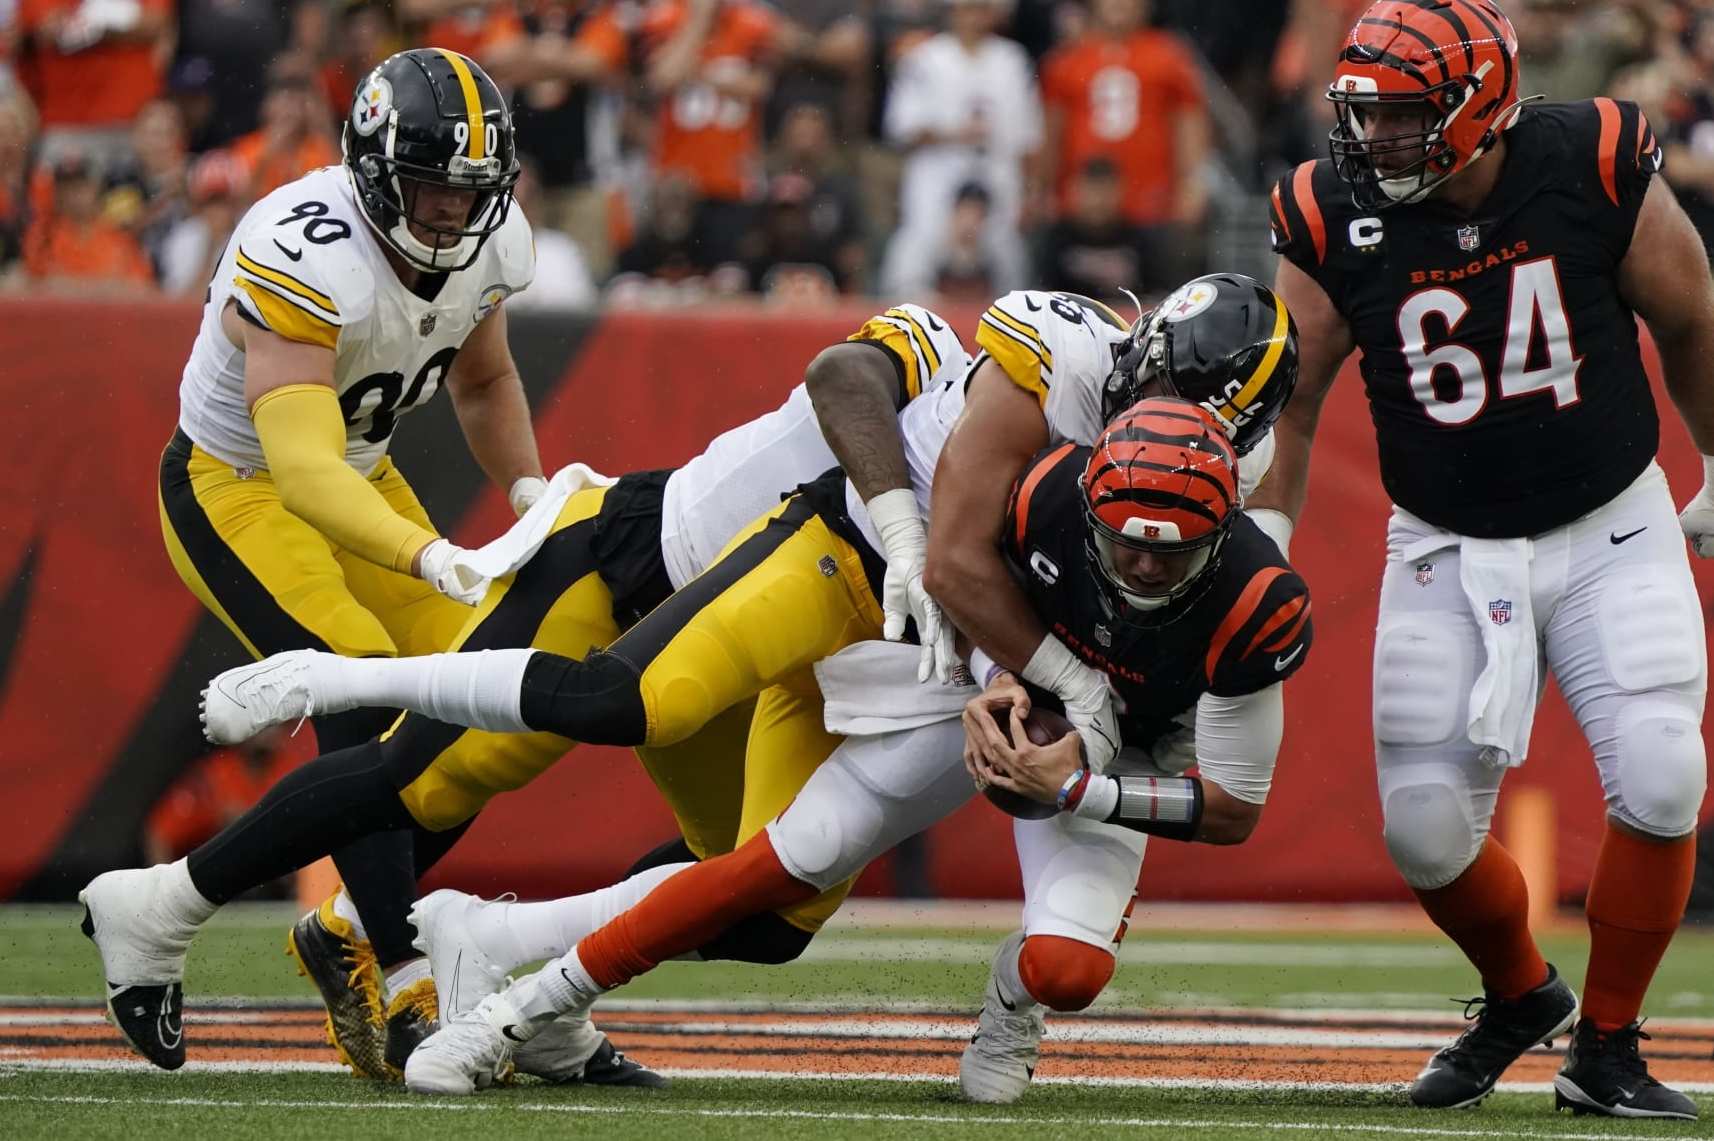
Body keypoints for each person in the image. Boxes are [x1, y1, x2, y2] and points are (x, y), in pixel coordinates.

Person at [82, 303, 970, 1078]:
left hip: (758, 652)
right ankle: (166, 901)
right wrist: (903, 525)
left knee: (758, 897)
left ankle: (468, 958)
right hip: (620, 571)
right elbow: (842, 377)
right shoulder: (927, 356)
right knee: (413, 774)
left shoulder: (1027, 497)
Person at [350, 398, 1311, 1101]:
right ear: (1090, 495)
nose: (1142, 565)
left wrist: (1077, 789)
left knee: (1067, 970)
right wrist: (997, 677)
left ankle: (1008, 1008)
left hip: (1114, 762)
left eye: (1170, 552)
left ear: (1222, 532)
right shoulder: (1050, 493)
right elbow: (965, 581)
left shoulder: (1254, 602)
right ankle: (514, 1011)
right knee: (784, 858)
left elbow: (1233, 807)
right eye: (1124, 542)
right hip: (979, 700)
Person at [1258, 0, 1711, 1121]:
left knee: (1662, 776)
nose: (1375, 141)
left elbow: (1691, 309)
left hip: (1611, 520)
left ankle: (1604, 1044)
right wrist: (1263, 540)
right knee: (1421, 828)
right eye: (1364, 115)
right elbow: (1292, 397)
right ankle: (1519, 994)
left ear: (1479, 110)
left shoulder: (1588, 160)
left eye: (1405, 118)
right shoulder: (1330, 212)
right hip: (1445, 542)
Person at [111, 48, 545, 1082]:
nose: (449, 214)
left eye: (469, 193)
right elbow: (300, 470)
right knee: (355, 673)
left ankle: (341, 921)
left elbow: (484, 385)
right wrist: (424, 548)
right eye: (432, 187)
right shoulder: (305, 248)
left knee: (487, 690)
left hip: (360, 470)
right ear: (372, 168)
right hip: (239, 481)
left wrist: (530, 495)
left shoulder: (489, 249)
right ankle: (399, 974)